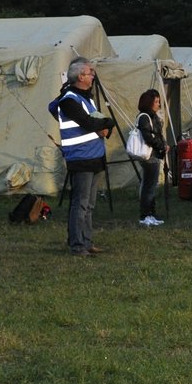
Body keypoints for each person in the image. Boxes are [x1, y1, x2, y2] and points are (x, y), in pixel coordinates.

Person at [47, 57, 114, 256]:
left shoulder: (87, 98)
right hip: (81, 157)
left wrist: (105, 126)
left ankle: (86, 241)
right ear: (80, 76)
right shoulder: (69, 100)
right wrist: (107, 124)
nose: (93, 76)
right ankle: (77, 245)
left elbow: (97, 121)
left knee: (89, 204)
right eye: (90, 72)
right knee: (81, 203)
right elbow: (88, 122)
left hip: (95, 156)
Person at [133, 89, 168, 226]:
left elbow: (158, 134)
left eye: (159, 101)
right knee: (149, 186)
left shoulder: (152, 116)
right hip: (149, 155)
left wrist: (163, 144)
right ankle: (146, 215)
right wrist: (161, 145)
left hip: (153, 154)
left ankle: (151, 213)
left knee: (150, 185)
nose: (158, 104)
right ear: (149, 103)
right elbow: (149, 137)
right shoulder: (144, 117)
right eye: (156, 102)